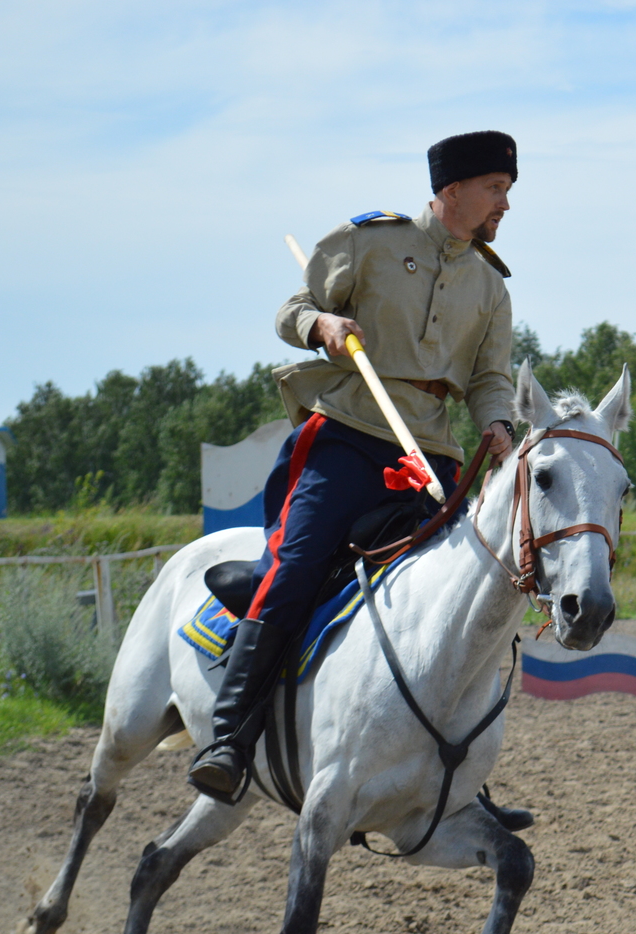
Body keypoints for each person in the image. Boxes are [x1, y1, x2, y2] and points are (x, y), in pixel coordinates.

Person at [187, 132, 522, 813]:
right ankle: (226, 739)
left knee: (457, 599)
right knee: (299, 563)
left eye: (508, 192)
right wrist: (323, 328)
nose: (505, 204)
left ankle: (456, 781)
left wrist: (499, 424)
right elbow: (291, 310)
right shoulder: (371, 242)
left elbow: (490, 378)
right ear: (452, 191)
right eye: (495, 189)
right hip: (347, 438)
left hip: (433, 456)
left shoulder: (490, 285)